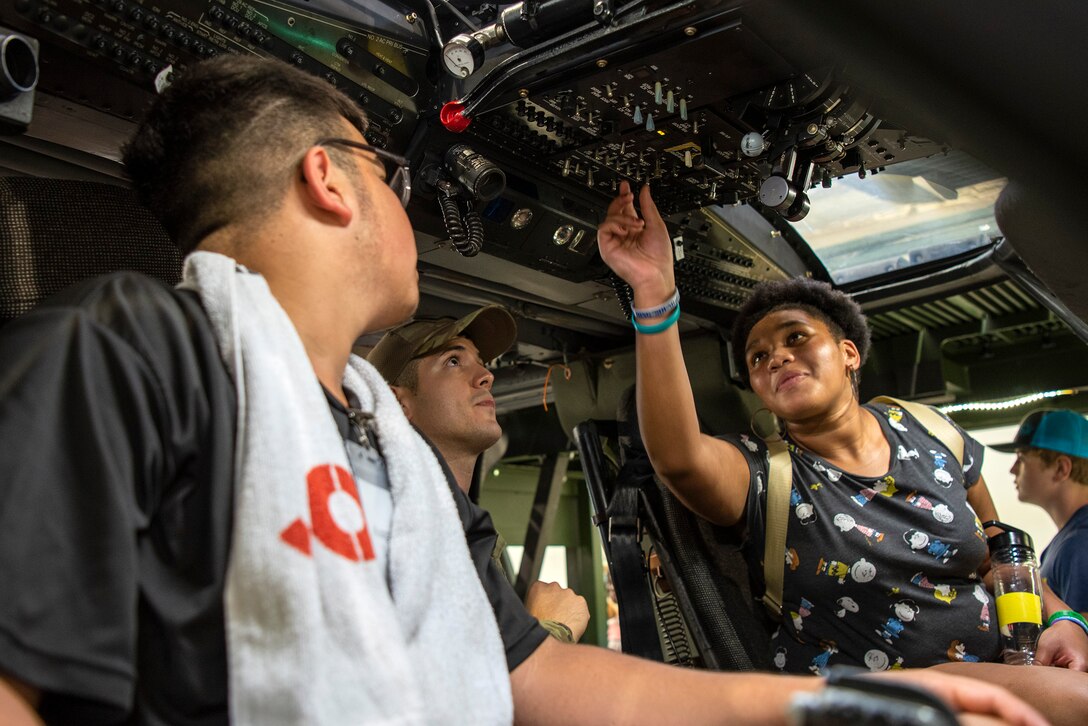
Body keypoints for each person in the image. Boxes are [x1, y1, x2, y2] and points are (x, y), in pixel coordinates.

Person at [0, 55, 1049, 726]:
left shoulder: (393, 459)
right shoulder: (127, 351)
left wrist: (836, 702)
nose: (402, 208)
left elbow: (538, 679)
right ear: (329, 178)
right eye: (388, 174)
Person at [597, 179, 1088, 721]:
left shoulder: (926, 428)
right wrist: (653, 293)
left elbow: (1002, 552)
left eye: (795, 338)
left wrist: (1066, 619)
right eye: (758, 359)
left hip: (1000, 672)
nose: (775, 358)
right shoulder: (767, 474)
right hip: (886, 700)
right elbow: (678, 456)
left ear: (849, 353)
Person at [366, 306, 591, 642]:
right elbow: (451, 686)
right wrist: (551, 630)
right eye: (453, 361)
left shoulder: (461, 528)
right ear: (398, 404)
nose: (487, 376)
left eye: (480, 362)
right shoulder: (398, 530)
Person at [1009, 409, 1088, 612]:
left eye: (1022, 458)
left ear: (1061, 468)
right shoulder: (1071, 540)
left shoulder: (1080, 543)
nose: (1012, 469)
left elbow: (1082, 640)